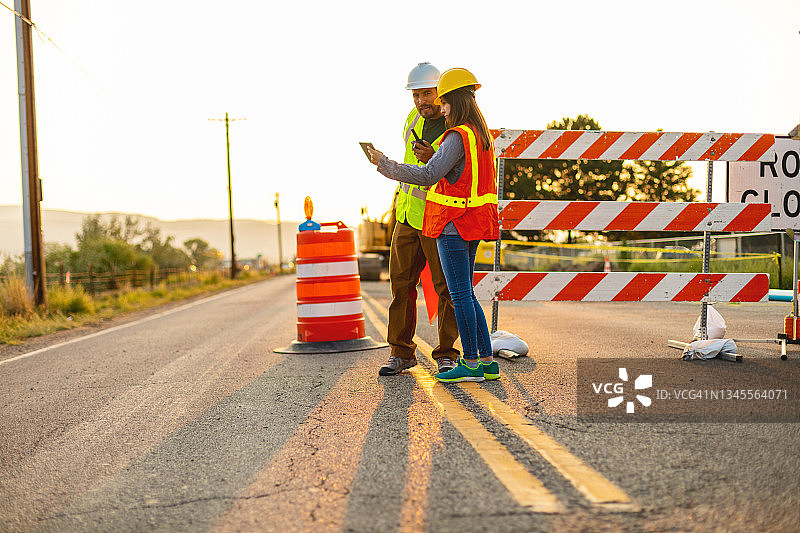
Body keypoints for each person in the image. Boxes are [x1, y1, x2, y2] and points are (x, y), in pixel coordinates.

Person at [368, 67, 500, 383]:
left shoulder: (457, 134)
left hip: (448, 221)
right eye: (417, 95)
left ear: (449, 99)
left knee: (455, 294)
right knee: (448, 291)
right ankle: (484, 361)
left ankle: (463, 360)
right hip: (423, 215)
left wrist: (384, 165)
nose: (433, 104)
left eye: (436, 97)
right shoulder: (477, 133)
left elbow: (430, 175)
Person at [378, 62, 461, 377]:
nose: (421, 101)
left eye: (427, 94)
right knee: (401, 285)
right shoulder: (412, 118)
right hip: (407, 217)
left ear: (441, 92)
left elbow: (458, 172)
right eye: (416, 95)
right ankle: (401, 353)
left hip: (439, 219)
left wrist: (435, 161)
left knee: (446, 289)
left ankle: (447, 354)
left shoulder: (454, 124)